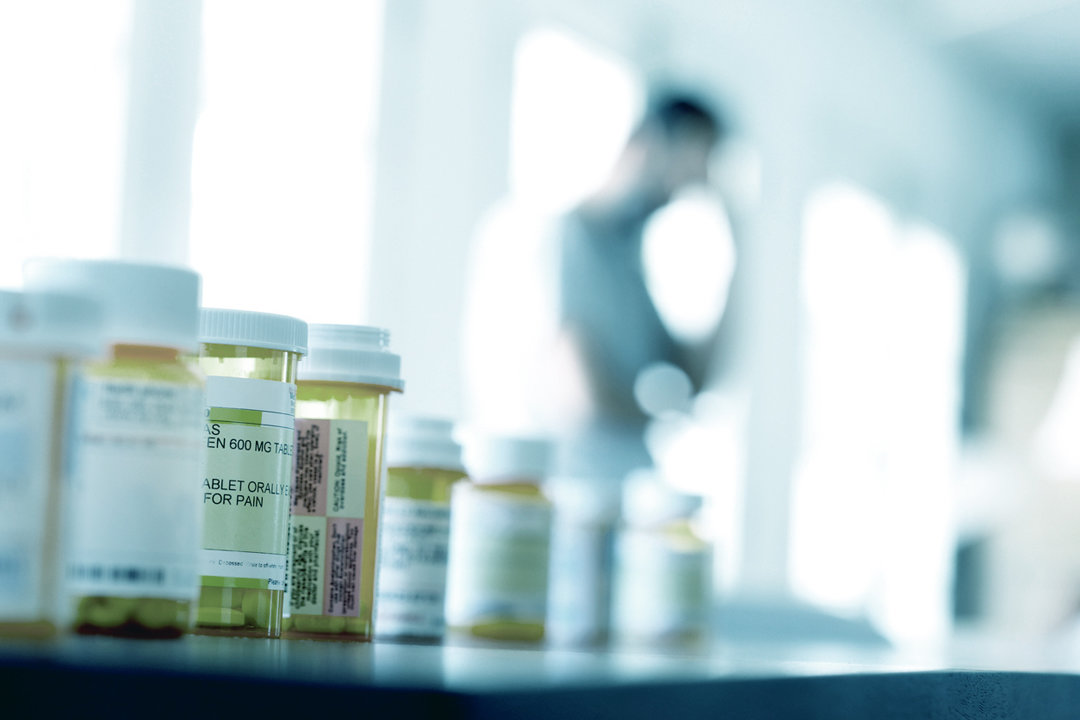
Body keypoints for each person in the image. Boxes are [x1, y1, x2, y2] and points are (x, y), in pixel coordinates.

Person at [464, 92, 728, 479]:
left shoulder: (626, 258)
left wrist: (737, 250)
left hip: (619, 494)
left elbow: (694, 377)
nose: (687, 188)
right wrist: (666, 413)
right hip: (563, 498)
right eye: (686, 166)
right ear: (647, 144)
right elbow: (583, 397)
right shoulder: (554, 237)